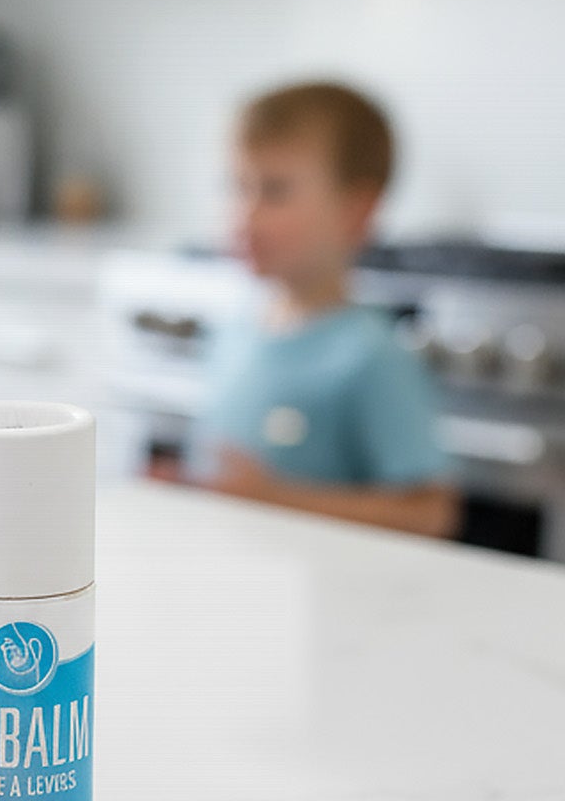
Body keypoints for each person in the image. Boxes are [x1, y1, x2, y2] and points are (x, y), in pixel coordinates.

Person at [188, 81, 456, 538]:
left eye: (274, 191)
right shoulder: (235, 330)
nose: (245, 215)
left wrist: (274, 499)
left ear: (356, 211)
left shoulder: (372, 356)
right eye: (238, 187)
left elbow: (431, 514)